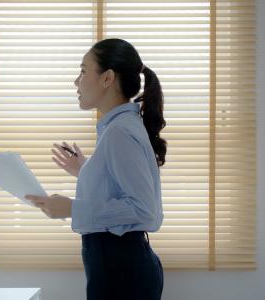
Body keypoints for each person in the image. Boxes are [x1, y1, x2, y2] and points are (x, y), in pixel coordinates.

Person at [26, 38, 166, 300]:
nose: (75, 82)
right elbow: (121, 189)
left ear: (107, 78)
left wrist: (71, 207)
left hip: (121, 273)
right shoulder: (118, 128)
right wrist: (87, 171)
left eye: (82, 71)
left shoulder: (119, 132)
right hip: (118, 268)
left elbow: (143, 209)